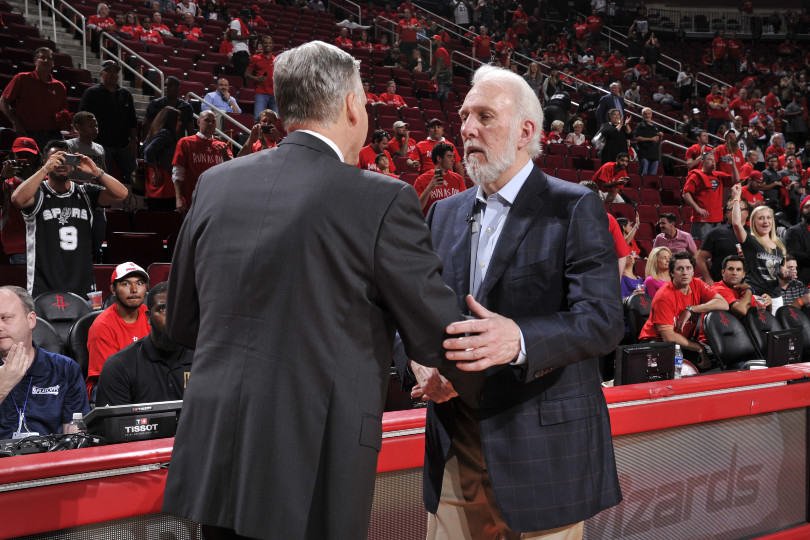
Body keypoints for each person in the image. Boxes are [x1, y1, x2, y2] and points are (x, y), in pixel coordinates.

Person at [161, 41, 470, 540]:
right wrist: (511, 353)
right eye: (364, 100)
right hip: (314, 459)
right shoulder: (381, 198)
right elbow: (440, 337)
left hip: (217, 451)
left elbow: (181, 322)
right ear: (351, 105)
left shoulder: (215, 183)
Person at [406, 64, 622, 539]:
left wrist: (519, 338)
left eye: (484, 116)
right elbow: (415, 309)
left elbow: (603, 320)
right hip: (456, 442)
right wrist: (422, 363)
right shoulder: (443, 213)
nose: (467, 128)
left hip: (543, 449)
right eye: (465, 116)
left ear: (526, 132)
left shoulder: (573, 206)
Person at [12, 141, 127, 297]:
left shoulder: (86, 193)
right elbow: (17, 199)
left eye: (66, 159)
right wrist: (44, 170)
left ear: (73, 164)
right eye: (55, 159)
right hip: (44, 283)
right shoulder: (38, 193)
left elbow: (122, 194)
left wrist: (96, 171)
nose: (61, 164)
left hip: (82, 282)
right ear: (46, 162)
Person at [0, 286, 89, 439]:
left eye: (5, 318)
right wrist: (2, 386)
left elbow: (75, 436)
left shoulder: (65, 369)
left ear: (31, 320)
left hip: (53, 453)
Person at [95, 282, 194, 406]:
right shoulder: (119, 366)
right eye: (163, 309)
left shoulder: (204, 359)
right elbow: (114, 419)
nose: (173, 318)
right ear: (148, 317)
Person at [638, 251, 727, 369]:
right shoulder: (663, 296)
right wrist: (699, 348)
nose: (685, 272)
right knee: (680, 363)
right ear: (672, 273)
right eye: (680, 269)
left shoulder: (697, 284)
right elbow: (668, 337)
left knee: (718, 358)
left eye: (688, 268)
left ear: (693, 271)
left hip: (683, 340)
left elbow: (723, 304)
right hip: (656, 342)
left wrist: (692, 309)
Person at [86, 262, 150, 399]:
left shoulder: (150, 315)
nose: (134, 289)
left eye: (139, 283)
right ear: (113, 290)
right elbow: (109, 376)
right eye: (126, 284)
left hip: (145, 380)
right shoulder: (102, 326)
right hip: (107, 384)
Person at [78, 61, 138, 184]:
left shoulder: (126, 94)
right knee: (101, 180)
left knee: (136, 177)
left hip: (124, 145)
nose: (113, 74)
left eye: (116, 71)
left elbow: (133, 119)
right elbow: (81, 117)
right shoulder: (91, 93)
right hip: (100, 145)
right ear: (101, 73)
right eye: (109, 71)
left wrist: (133, 140)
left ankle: (131, 197)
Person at [0, 48, 68, 151]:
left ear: (53, 63)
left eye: (49, 58)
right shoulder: (22, 78)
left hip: (54, 135)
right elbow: (3, 101)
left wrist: (66, 123)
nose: (46, 60)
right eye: (42, 57)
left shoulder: (60, 86)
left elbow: (63, 112)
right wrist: (15, 122)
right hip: (29, 134)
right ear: (35, 61)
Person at [731, 184, 786, 300]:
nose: (766, 221)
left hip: (776, 297)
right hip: (755, 295)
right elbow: (736, 224)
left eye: (768, 218)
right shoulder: (750, 240)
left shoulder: (780, 243)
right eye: (761, 218)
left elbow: (782, 270)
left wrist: (787, 274)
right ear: (753, 222)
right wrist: (736, 197)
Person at [172, 110, 233, 213]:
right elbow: (177, 173)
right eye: (207, 120)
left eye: (213, 121)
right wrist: (178, 198)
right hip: (191, 200)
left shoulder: (222, 146)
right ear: (198, 122)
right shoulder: (185, 142)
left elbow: (231, 170)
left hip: (215, 201)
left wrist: (224, 155)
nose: (210, 123)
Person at [682, 151, 740, 241]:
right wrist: (697, 208)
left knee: (716, 244)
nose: (713, 162)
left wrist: (733, 165)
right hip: (702, 219)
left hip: (717, 218)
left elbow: (736, 180)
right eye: (709, 159)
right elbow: (685, 194)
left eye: (714, 160)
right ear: (702, 162)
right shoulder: (695, 176)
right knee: (702, 244)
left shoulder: (718, 175)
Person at [1, 138, 41, 265]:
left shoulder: (45, 180)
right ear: (13, 157)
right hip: (18, 247)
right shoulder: (6, 182)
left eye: (28, 155)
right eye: (20, 155)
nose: (24, 159)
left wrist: (30, 179)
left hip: (43, 245)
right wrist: (1, 177)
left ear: (36, 158)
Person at [143, 106, 181, 211]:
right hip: (163, 180)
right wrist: (156, 171)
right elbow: (149, 151)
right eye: (178, 120)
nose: (180, 123)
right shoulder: (166, 134)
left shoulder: (155, 131)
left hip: (158, 179)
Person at [412, 142, 465, 216]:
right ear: (439, 158)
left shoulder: (458, 178)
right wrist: (429, 188)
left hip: (452, 220)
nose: (453, 160)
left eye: (453, 156)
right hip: (431, 221)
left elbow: (464, 204)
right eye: (449, 157)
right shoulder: (422, 180)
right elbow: (417, 209)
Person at [246, 36, 277, 118]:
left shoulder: (276, 60)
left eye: (270, 43)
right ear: (262, 45)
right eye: (265, 43)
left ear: (273, 45)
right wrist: (256, 78)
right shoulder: (255, 58)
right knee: (258, 118)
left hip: (274, 94)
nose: (268, 45)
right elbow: (247, 74)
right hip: (261, 93)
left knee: (276, 120)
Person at [784, 194, 810, 285]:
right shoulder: (794, 231)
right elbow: (793, 254)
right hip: (802, 281)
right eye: (807, 206)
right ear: (802, 211)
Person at [633, 107, 661, 175]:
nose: (647, 116)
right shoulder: (640, 125)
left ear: (651, 114)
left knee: (652, 177)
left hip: (655, 155)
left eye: (649, 114)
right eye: (645, 114)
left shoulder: (655, 126)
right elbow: (636, 137)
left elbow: (657, 140)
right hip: (644, 155)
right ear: (642, 115)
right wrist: (651, 139)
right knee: (643, 176)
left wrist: (660, 136)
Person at [229, 9, 252, 83]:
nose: (249, 19)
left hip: (243, 52)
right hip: (240, 52)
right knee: (242, 76)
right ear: (242, 16)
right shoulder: (236, 22)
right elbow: (233, 36)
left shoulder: (243, 25)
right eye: (247, 17)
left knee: (243, 75)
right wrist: (249, 37)